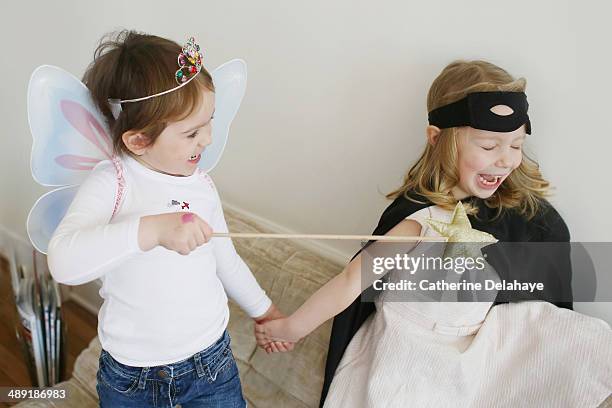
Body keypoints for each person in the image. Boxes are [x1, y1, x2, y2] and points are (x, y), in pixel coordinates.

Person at [255, 60, 612, 407]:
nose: (506, 160)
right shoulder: (419, 217)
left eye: (516, 145)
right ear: (437, 139)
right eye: (489, 146)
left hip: (475, 344)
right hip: (413, 346)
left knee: (588, 341)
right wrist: (292, 328)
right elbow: (353, 280)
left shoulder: (520, 218)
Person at [47, 30, 290, 407]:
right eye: (192, 132)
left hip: (211, 364)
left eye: (210, 121)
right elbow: (63, 262)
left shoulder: (202, 186)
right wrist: (153, 229)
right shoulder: (114, 182)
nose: (207, 139)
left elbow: (225, 259)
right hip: (131, 378)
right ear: (138, 141)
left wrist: (266, 311)